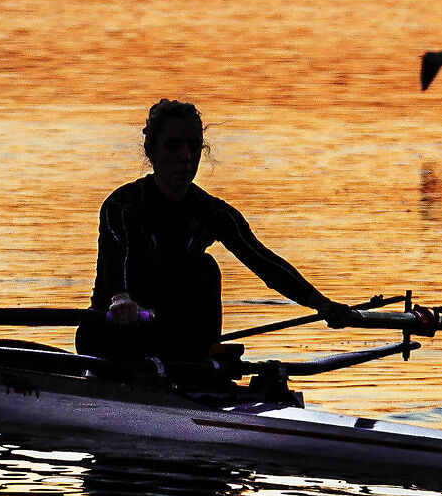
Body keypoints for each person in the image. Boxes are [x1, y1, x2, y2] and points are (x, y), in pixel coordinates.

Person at [77, 99, 353, 363]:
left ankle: (202, 362)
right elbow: (118, 261)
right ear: (151, 151)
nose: (185, 157)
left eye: (194, 146)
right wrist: (120, 298)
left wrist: (320, 302)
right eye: (173, 146)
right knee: (191, 269)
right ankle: (190, 362)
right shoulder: (122, 205)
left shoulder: (212, 211)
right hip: (113, 334)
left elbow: (263, 261)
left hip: (167, 337)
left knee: (206, 268)